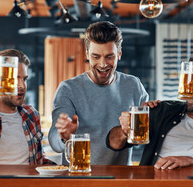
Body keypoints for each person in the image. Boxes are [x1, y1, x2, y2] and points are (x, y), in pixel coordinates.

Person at [107, 56, 193, 169]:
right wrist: (125, 130)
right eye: (188, 78)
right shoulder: (163, 110)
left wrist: (192, 163)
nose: (190, 85)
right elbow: (113, 143)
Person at [48, 21, 149, 165]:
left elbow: (146, 136)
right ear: (87, 54)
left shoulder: (134, 85)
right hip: (79, 178)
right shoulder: (68, 89)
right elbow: (54, 143)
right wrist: (64, 136)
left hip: (119, 180)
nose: (103, 64)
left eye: (109, 57)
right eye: (96, 57)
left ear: (119, 54)